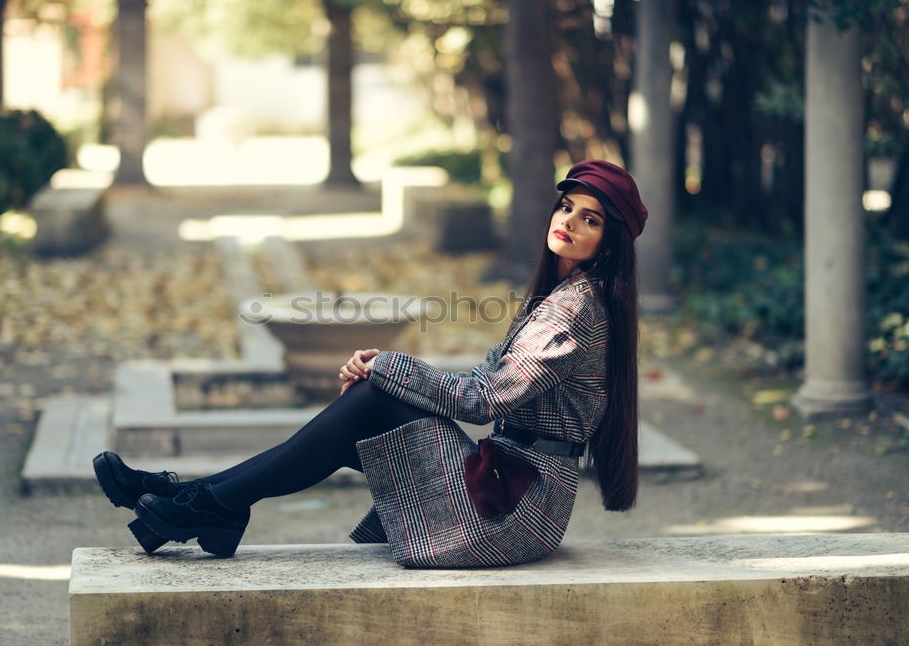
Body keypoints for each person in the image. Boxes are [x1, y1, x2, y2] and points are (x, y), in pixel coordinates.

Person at [92, 159, 647, 569]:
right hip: (510, 484)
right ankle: (202, 500)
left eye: (590, 220)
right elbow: (487, 379)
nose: (569, 222)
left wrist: (391, 369)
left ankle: (202, 501)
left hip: (509, 509)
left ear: (609, 242)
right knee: (370, 407)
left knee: (371, 401)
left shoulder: (577, 308)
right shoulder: (567, 295)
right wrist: (393, 375)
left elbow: (487, 399)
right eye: (565, 206)